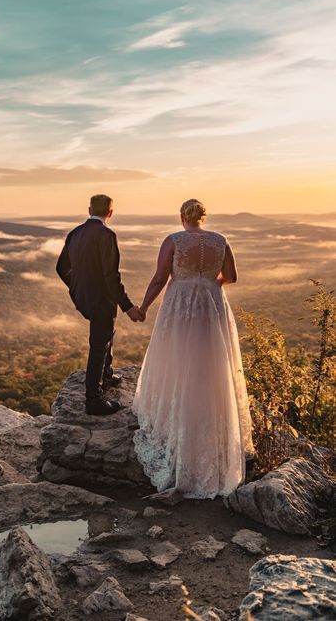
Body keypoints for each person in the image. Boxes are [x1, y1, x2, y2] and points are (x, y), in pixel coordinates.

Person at [132, 198, 255, 498]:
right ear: (203, 216)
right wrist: (210, 285)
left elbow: (161, 277)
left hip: (180, 303)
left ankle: (178, 422)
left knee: (178, 356)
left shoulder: (173, 240)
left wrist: (144, 307)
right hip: (212, 303)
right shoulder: (220, 240)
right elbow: (232, 277)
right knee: (211, 363)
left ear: (182, 216)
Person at [56, 194, 143, 416]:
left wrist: (77, 286)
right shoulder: (107, 235)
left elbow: (60, 267)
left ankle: (106, 375)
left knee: (105, 333)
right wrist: (128, 307)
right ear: (110, 212)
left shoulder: (75, 233)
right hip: (101, 298)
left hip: (82, 296)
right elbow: (111, 277)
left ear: (89, 209)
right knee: (99, 345)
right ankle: (93, 400)